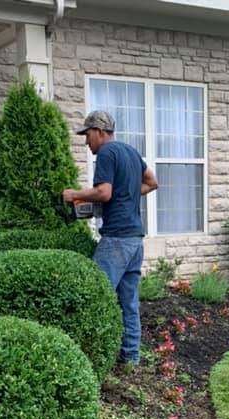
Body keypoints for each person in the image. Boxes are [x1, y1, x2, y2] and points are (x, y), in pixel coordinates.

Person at [63, 110, 157, 365]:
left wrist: (73, 195)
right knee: (129, 302)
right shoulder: (130, 152)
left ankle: (92, 359)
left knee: (94, 296)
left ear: (101, 132)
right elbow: (152, 181)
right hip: (135, 239)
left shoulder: (106, 153)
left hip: (116, 239)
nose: (86, 142)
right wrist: (127, 193)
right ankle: (131, 359)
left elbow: (103, 193)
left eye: (88, 135)